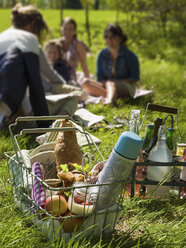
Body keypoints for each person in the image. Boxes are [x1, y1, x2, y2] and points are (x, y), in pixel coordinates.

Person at [0, 4, 85, 129]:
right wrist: (44, 125)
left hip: (5, 109)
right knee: (71, 100)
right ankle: (58, 123)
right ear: (33, 24)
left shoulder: (3, 36)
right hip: (14, 115)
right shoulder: (29, 40)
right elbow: (36, 86)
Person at [81, 23, 140, 105]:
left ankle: (109, 102)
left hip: (126, 86)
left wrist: (115, 82)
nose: (109, 40)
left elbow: (134, 78)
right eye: (106, 37)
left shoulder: (130, 55)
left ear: (120, 38)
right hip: (107, 85)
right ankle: (111, 96)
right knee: (85, 82)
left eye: (112, 37)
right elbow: (100, 78)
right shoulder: (102, 54)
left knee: (110, 83)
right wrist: (107, 83)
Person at [58, 17, 90, 82]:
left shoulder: (78, 45)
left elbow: (84, 65)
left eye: (70, 29)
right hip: (56, 75)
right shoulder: (57, 44)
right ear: (61, 29)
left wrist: (89, 81)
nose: (67, 31)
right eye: (65, 28)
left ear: (74, 31)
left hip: (71, 78)